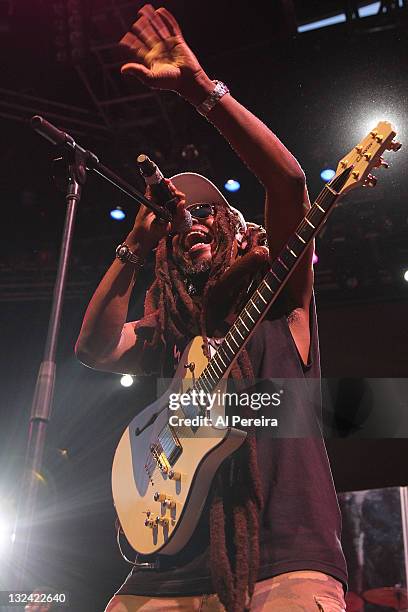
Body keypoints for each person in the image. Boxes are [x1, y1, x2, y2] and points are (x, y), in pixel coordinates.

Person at [75, 4, 347, 611]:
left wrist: (202, 90)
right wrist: (136, 245)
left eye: (208, 212)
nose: (192, 220)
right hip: (173, 560)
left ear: (237, 231)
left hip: (285, 558)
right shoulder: (172, 330)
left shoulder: (280, 298)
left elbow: (289, 185)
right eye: (182, 218)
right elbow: (92, 349)